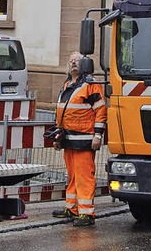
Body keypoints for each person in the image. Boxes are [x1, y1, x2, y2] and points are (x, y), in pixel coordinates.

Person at [51, 51, 107, 228]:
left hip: (84, 139)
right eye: (71, 61)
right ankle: (72, 208)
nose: (74, 63)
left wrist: (98, 135)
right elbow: (61, 112)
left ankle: (87, 213)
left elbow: (100, 111)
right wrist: (57, 136)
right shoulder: (68, 84)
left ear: (84, 64)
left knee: (84, 176)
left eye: (77, 61)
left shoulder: (90, 84)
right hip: (68, 138)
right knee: (73, 175)